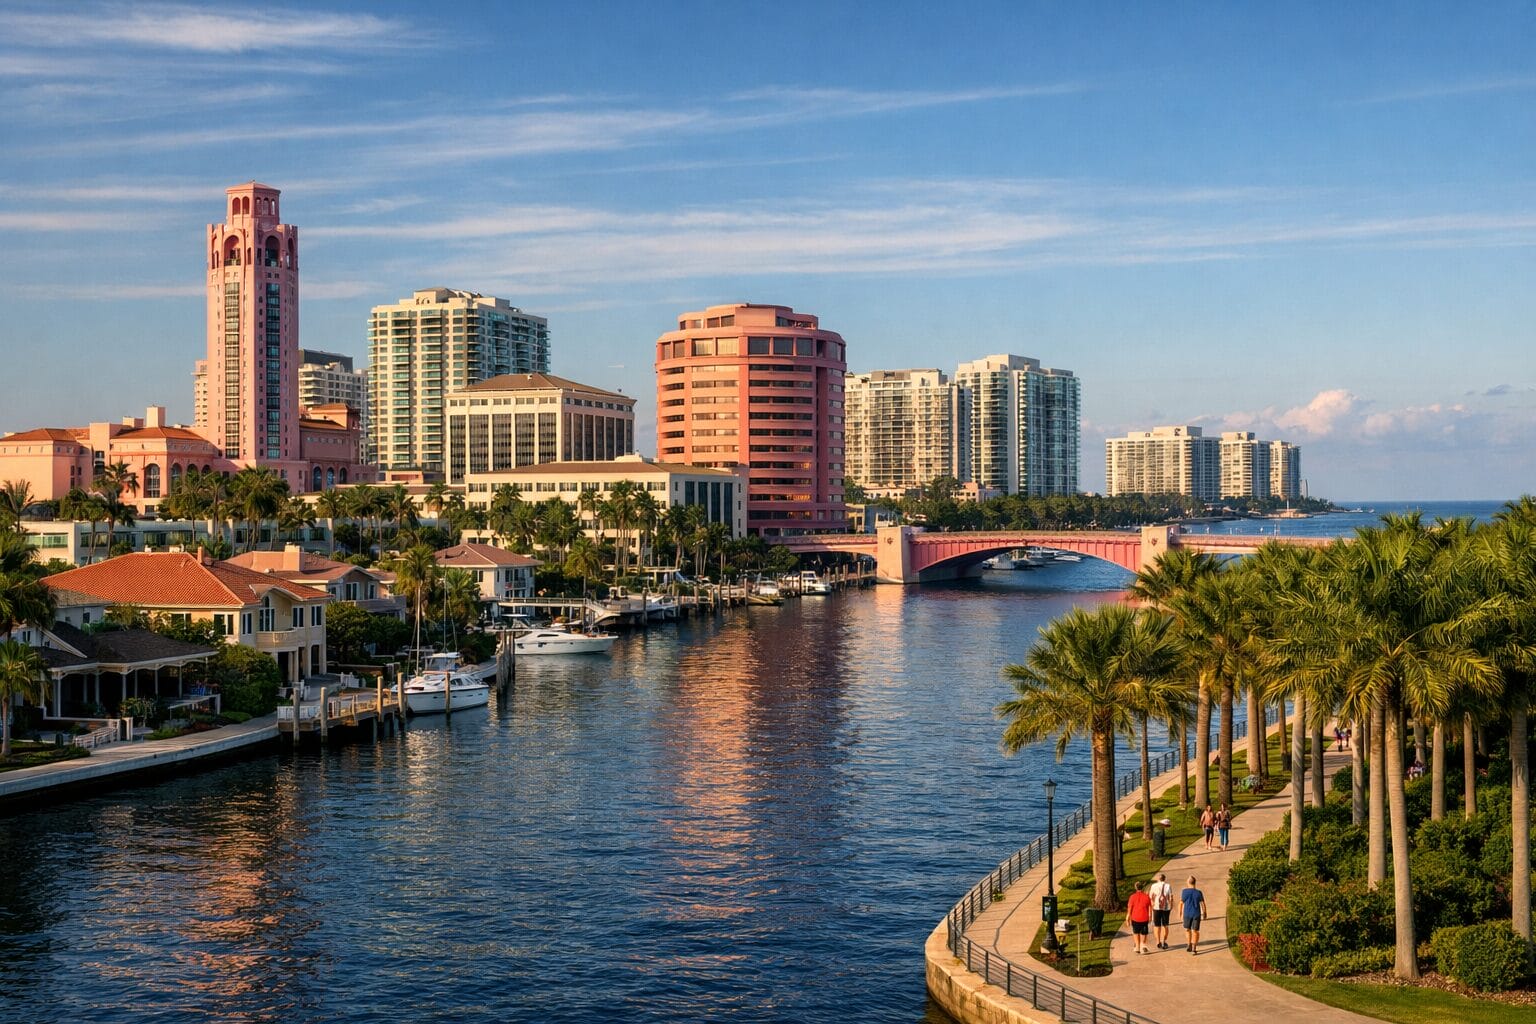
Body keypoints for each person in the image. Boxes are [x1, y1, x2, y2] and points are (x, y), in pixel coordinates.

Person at [1181, 875, 1207, 953]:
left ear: (1188, 882)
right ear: (1195, 883)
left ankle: (1189, 944)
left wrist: (1180, 913)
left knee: (1187, 929)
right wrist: (1205, 912)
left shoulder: (1184, 891)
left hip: (1187, 914)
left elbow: (1181, 903)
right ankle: (1194, 948)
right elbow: (1202, 903)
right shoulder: (1199, 892)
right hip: (1196, 914)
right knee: (1195, 931)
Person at [1126, 880, 1152, 955]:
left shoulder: (1132, 897)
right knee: (1144, 932)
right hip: (1144, 917)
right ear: (1142, 887)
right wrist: (1150, 916)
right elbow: (1150, 907)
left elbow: (1130, 908)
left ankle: (1137, 947)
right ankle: (1143, 945)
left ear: (1135, 888)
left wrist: (1127, 918)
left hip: (1135, 918)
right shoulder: (1147, 897)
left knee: (1136, 932)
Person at [1149, 872, 1174, 950]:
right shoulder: (1168, 886)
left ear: (1158, 879)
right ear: (1164, 879)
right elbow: (1171, 897)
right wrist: (1171, 905)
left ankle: (1157, 941)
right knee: (1165, 925)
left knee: (1157, 926)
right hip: (1166, 908)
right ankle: (1164, 941)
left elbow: (1151, 896)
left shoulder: (1153, 886)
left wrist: (1153, 903)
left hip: (1156, 907)